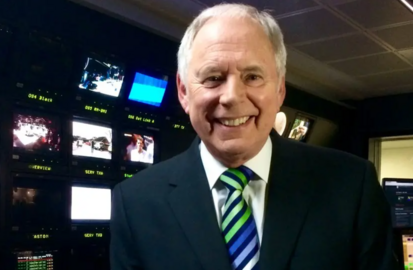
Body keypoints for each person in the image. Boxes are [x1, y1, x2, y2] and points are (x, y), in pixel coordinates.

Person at [110, 3, 396, 270]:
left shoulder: (352, 186)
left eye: (253, 77)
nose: (232, 97)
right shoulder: (136, 202)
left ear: (280, 91)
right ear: (184, 92)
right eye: (213, 77)